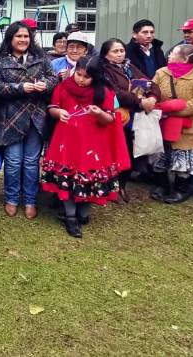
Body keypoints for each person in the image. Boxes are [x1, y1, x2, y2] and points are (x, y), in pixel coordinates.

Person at [43, 56, 130, 238]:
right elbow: (52, 107)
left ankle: (82, 212)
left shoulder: (104, 92)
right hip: (66, 142)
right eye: (79, 74)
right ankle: (70, 216)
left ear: (96, 77)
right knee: (67, 176)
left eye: (86, 77)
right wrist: (58, 112)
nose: (81, 80)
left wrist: (99, 114)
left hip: (93, 145)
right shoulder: (64, 86)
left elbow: (110, 119)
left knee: (87, 178)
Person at [0, 21, 56, 219]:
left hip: (36, 116)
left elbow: (53, 78)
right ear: (10, 38)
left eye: (26, 36)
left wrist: (45, 84)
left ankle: (30, 200)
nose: (23, 40)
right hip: (10, 117)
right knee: (13, 161)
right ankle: (11, 198)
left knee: (31, 161)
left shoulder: (41, 57)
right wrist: (20, 88)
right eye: (18, 36)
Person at [150, 44, 193, 204]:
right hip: (161, 122)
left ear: (185, 59)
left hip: (187, 125)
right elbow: (152, 91)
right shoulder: (162, 72)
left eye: (173, 53)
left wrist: (172, 109)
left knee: (183, 157)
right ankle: (161, 185)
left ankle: (181, 189)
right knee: (160, 155)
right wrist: (153, 102)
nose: (169, 55)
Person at [99, 38, 161, 199]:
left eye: (121, 50)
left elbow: (150, 84)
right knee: (117, 150)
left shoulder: (129, 66)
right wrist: (140, 101)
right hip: (118, 116)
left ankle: (122, 186)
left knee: (130, 152)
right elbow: (115, 92)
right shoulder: (103, 69)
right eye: (115, 51)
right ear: (106, 54)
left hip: (135, 116)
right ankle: (110, 186)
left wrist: (153, 98)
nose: (120, 54)